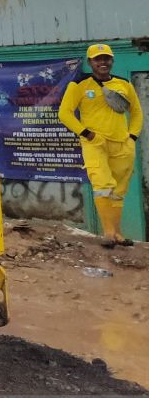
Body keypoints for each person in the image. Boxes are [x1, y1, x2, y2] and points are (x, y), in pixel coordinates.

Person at [59, 44, 143, 248]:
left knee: (118, 191)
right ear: (90, 62)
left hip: (122, 145)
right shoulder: (79, 84)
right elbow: (65, 113)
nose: (102, 62)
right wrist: (87, 134)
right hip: (94, 144)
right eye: (97, 59)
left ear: (112, 61)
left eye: (106, 58)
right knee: (102, 186)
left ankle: (118, 233)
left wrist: (132, 138)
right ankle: (108, 232)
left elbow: (137, 113)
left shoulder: (123, 84)